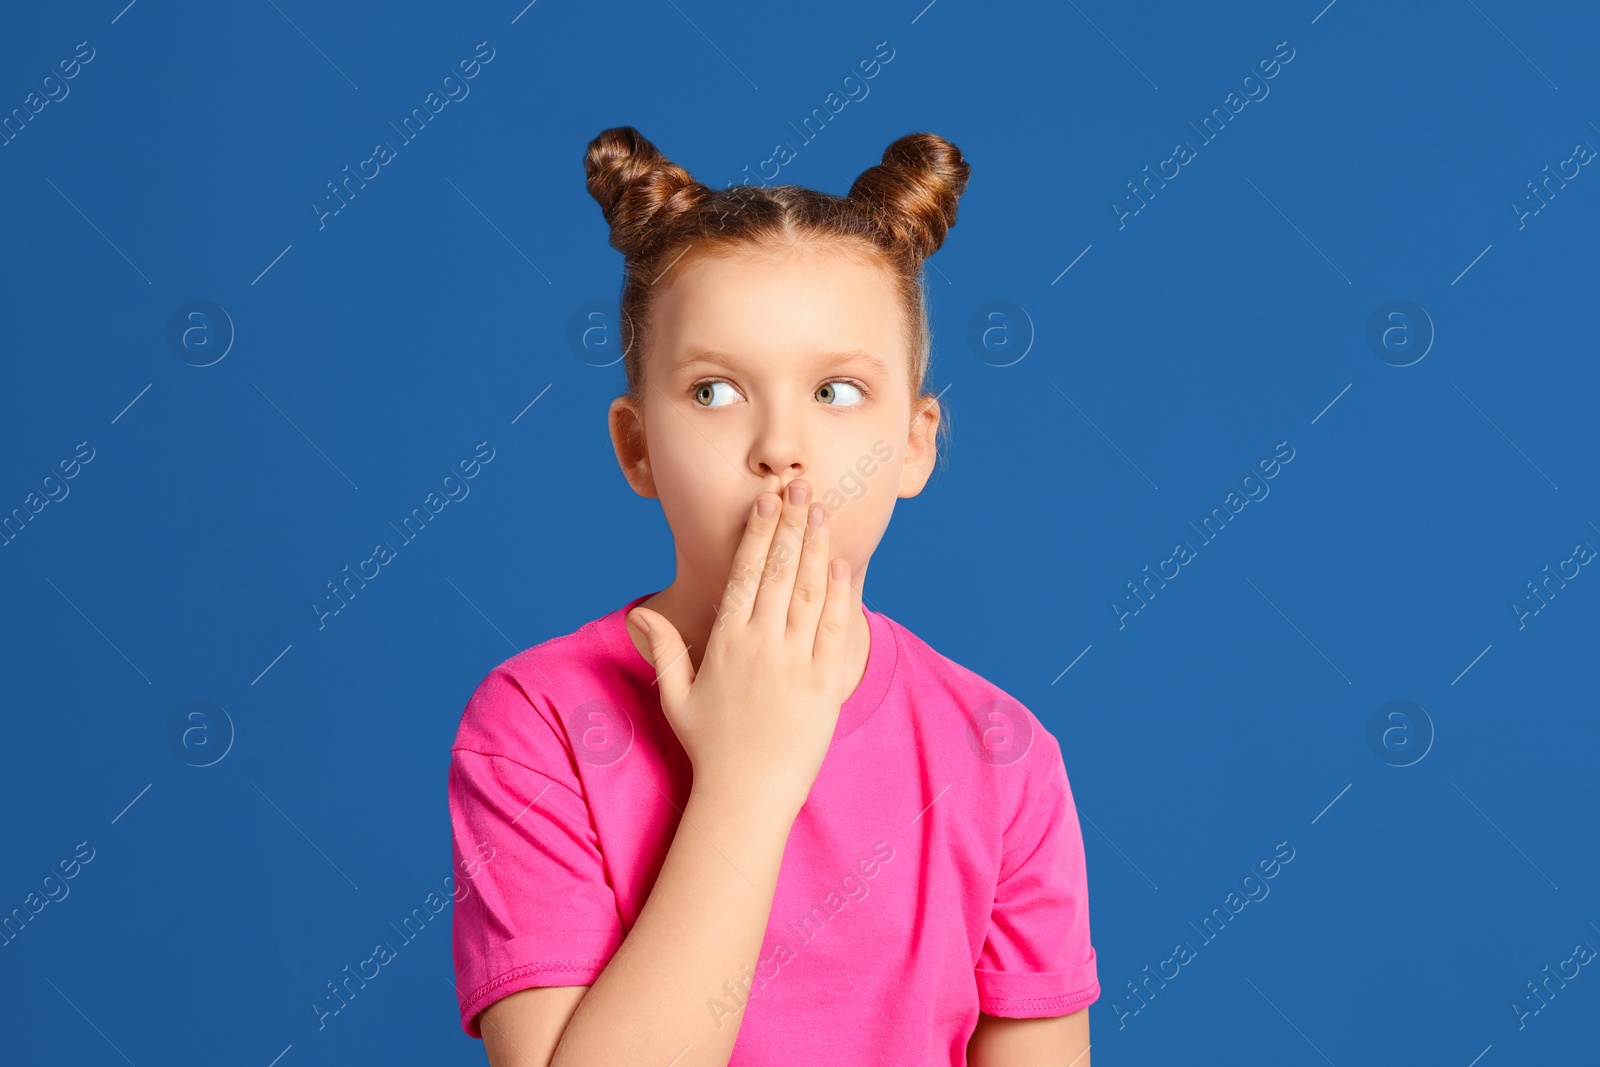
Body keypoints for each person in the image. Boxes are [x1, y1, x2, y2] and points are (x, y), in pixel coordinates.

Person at [447, 126, 1098, 1066]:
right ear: (637, 446)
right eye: (715, 392)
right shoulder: (536, 724)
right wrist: (748, 781)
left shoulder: (1003, 756)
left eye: (837, 390)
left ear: (914, 442)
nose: (780, 446)